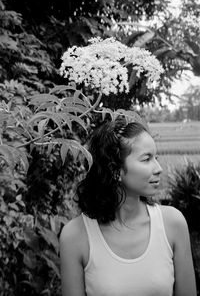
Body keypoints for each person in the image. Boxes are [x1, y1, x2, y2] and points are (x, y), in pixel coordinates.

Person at [59, 116, 197, 296]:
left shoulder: (173, 224)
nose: (158, 168)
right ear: (116, 170)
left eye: (156, 157)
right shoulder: (75, 236)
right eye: (146, 159)